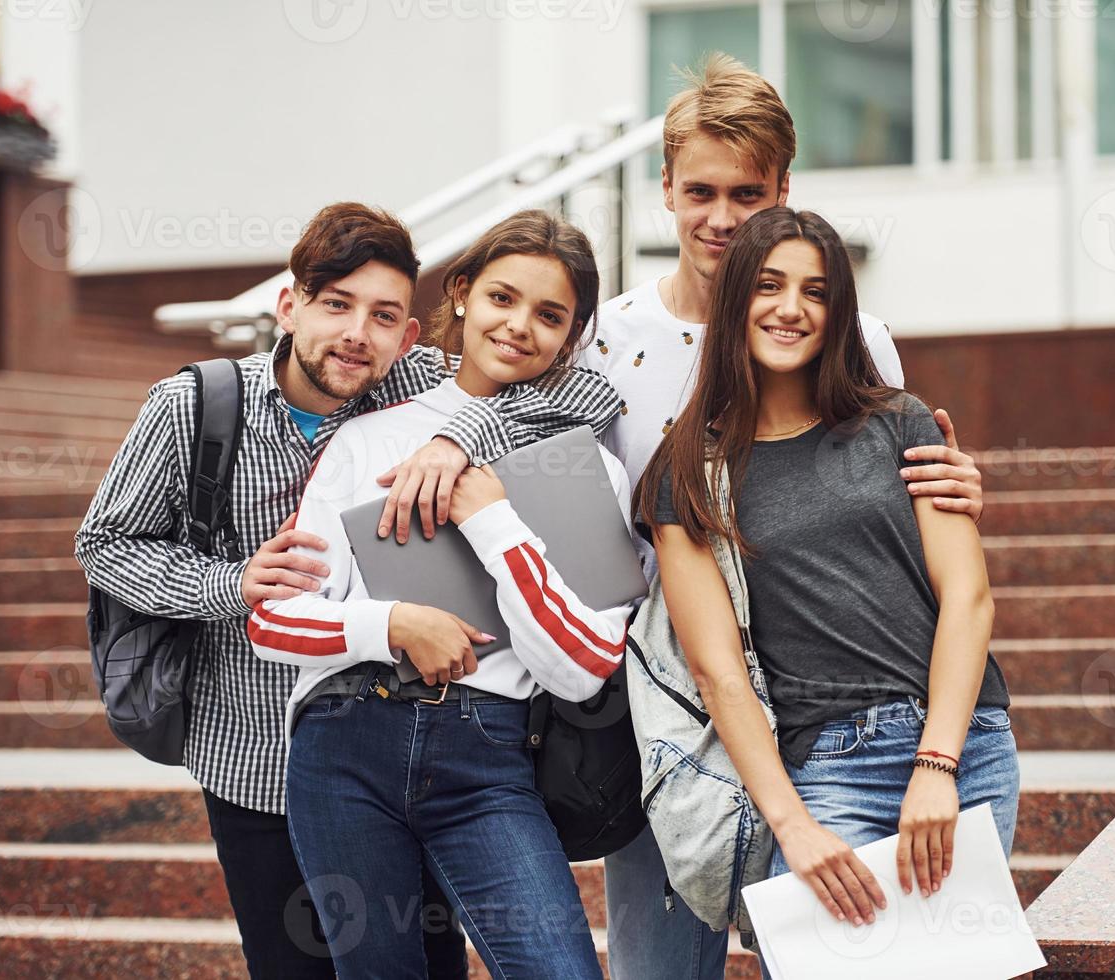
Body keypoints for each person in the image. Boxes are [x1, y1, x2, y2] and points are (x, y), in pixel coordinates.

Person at [374, 55, 989, 980]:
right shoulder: (610, 338)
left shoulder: (854, 341)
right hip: (667, 711)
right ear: (663, 188)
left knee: (849, 958)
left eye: (749, 192)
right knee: (661, 968)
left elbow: (886, 507)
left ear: (784, 188)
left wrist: (952, 485)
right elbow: (504, 398)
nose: (723, 218)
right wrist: (453, 441)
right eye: (699, 190)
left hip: (827, 704)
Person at [75, 202, 621, 980]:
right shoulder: (194, 406)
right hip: (258, 745)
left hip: (456, 732)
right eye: (336, 305)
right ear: (289, 305)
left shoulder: (414, 390)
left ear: (409, 334)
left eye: (383, 316)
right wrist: (232, 584)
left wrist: (460, 441)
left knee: (433, 961)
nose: (356, 334)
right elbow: (105, 546)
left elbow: (584, 399)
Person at [247, 210, 631, 980]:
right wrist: (393, 623)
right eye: (501, 297)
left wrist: (489, 520)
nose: (519, 326)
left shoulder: (594, 472)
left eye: (549, 314)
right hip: (344, 747)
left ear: (575, 333)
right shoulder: (367, 439)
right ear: (460, 294)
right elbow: (273, 620)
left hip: (489, 758)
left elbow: (585, 667)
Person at [635, 207, 1018, 974]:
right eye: (769, 286)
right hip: (825, 769)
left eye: (814, 291)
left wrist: (936, 766)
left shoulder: (897, 423)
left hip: (964, 746)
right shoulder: (685, 468)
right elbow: (717, 671)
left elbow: (967, 599)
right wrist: (794, 825)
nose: (791, 308)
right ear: (735, 297)